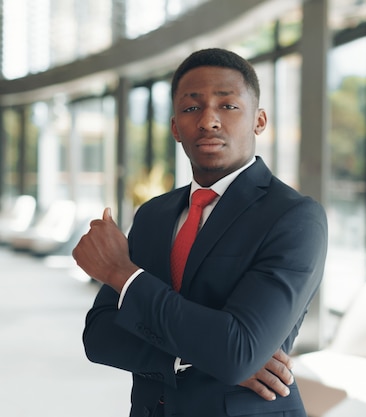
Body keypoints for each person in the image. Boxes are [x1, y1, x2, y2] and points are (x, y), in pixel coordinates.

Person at [72, 48, 328, 417]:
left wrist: (122, 274)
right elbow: (99, 337)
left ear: (259, 120)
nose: (209, 121)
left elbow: (237, 352)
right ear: (176, 127)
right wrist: (202, 355)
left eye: (228, 106)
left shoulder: (294, 217)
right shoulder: (153, 215)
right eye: (192, 108)